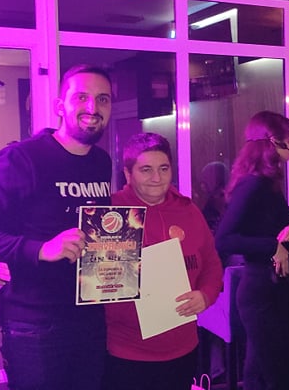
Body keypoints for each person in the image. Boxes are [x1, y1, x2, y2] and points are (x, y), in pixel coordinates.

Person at [0, 64, 114, 390]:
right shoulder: (22, 158)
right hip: (35, 325)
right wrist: (42, 249)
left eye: (103, 99)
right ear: (60, 106)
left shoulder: (101, 162)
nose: (93, 107)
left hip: (90, 319)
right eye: (81, 97)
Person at [102, 133, 223, 390]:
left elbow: (212, 264)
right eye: (146, 170)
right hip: (126, 352)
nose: (157, 178)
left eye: (164, 168)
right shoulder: (111, 212)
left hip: (183, 348)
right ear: (128, 174)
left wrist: (206, 295)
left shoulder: (188, 210)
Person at [215, 110, 289, 390]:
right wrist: (272, 246)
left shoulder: (266, 183)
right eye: (287, 139)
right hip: (260, 290)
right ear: (272, 141)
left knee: (259, 376)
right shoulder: (253, 184)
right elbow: (224, 239)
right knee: (280, 376)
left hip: (271, 288)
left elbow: (274, 224)